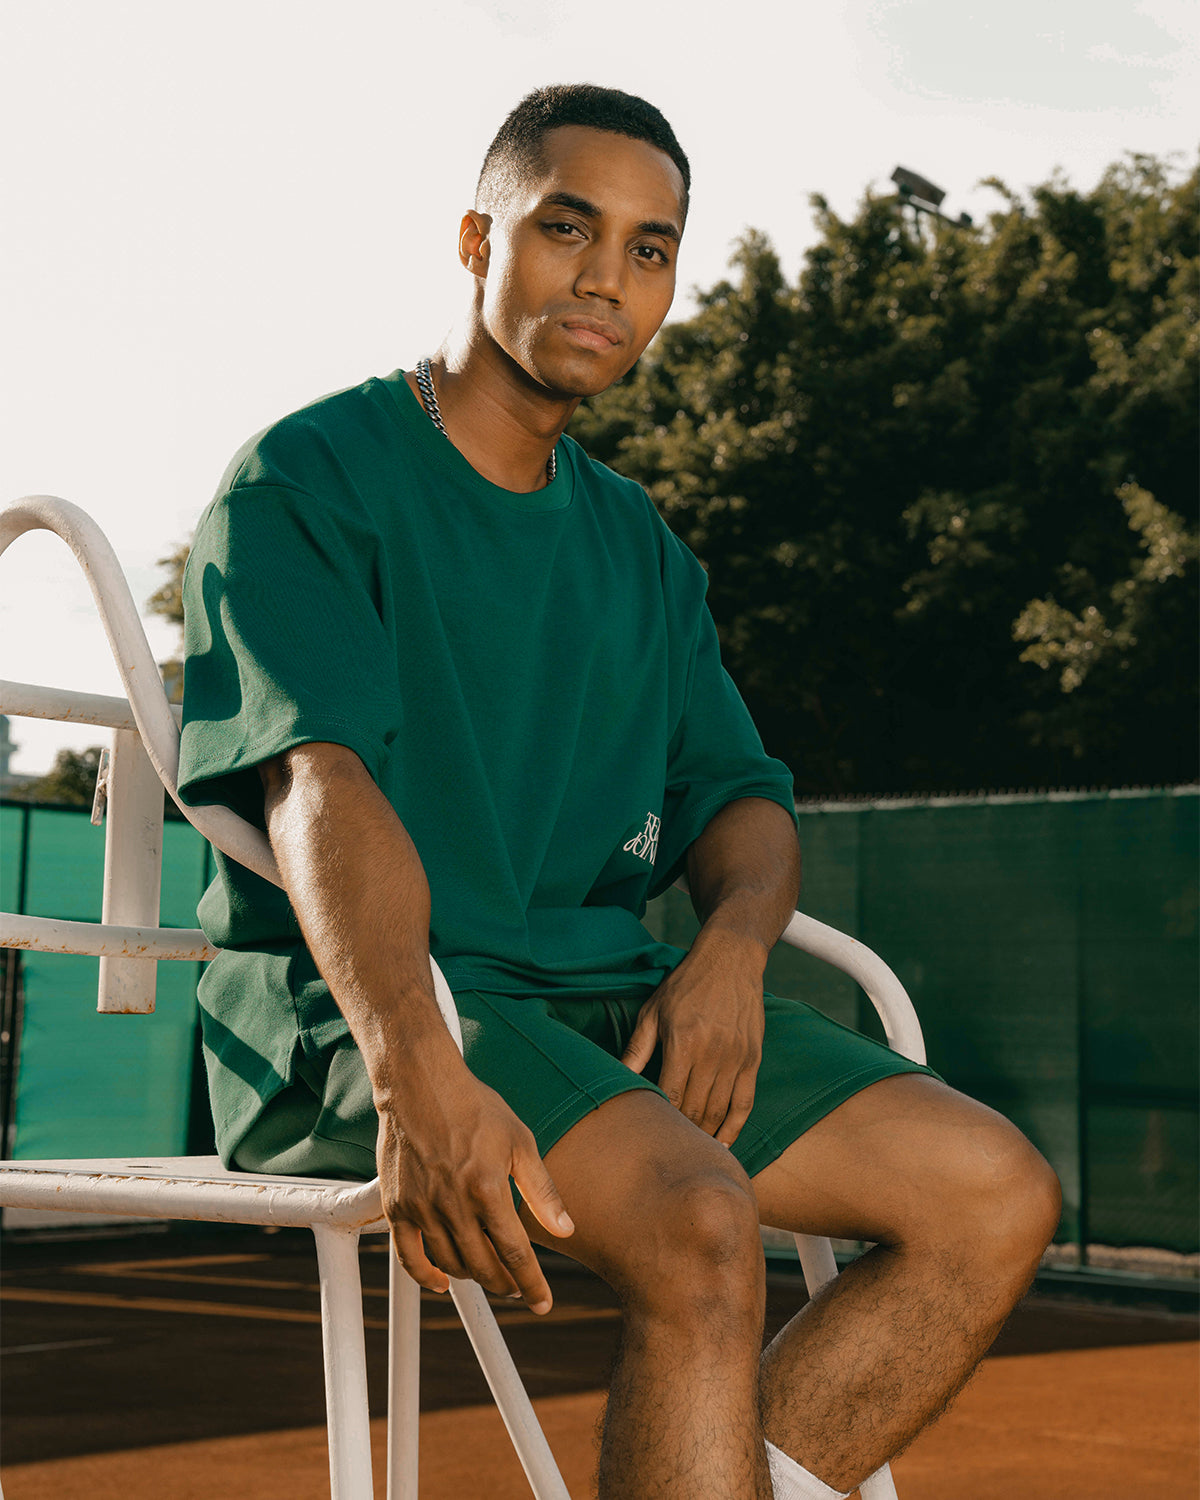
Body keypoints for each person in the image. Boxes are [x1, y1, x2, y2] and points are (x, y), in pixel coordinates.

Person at [178, 84, 1061, 1500]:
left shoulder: (637, 543)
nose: (607, 278)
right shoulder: (310, 476)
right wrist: (418, 1069)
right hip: (371, 1015)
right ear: (478, 240)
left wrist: (732, 952)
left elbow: (743, 802)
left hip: (606, 1002)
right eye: (567, 227)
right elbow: (316, 787)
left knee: (994, 1193)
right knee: (702, 1225)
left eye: (651, 249)